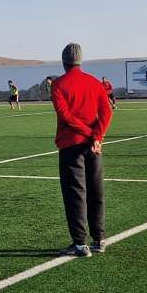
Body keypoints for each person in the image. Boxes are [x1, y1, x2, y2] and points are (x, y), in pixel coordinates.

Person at [52, 43, 113, 257]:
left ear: (64, 61)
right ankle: (99, 239)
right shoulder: (94, 82)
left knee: (75, 193)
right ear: (80, 60)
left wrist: (87, 134)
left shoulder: (58, 84)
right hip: (93, 146)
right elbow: (106, 112)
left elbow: (66, 116)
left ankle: (79, 243)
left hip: (72, 145)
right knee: (96, 191)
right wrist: (96, 136)